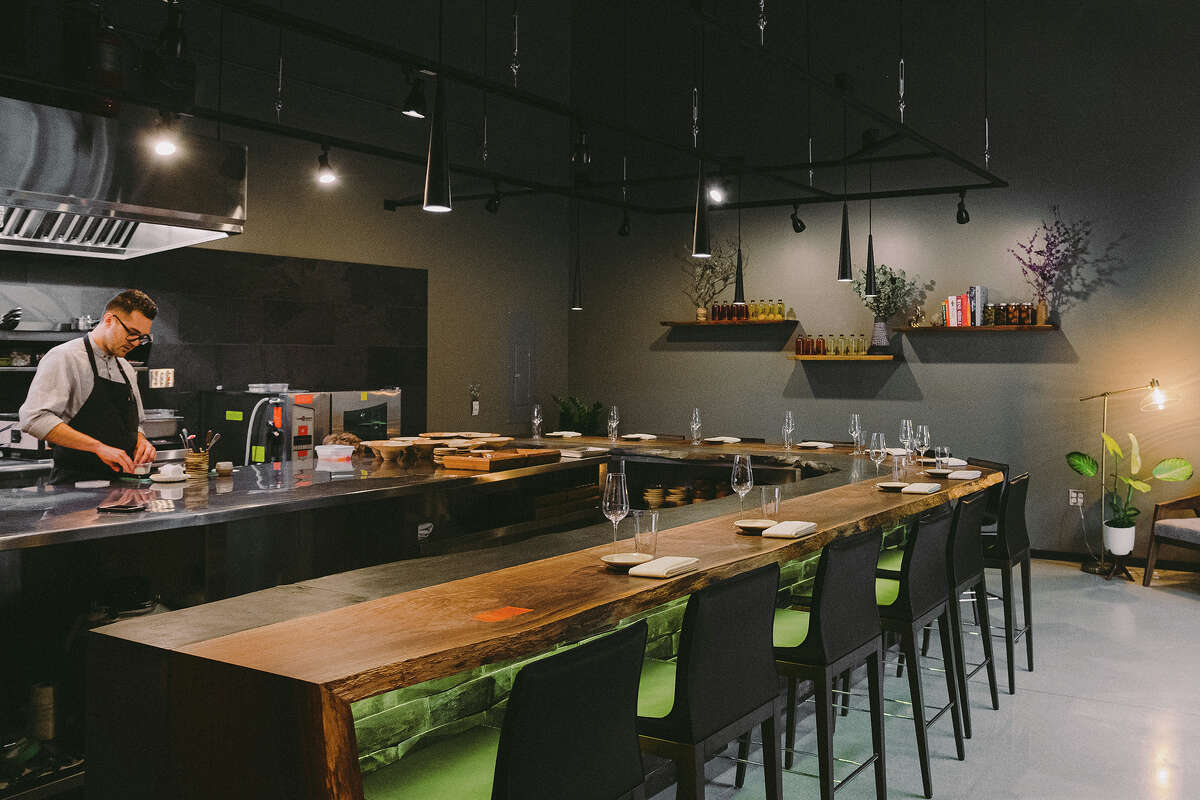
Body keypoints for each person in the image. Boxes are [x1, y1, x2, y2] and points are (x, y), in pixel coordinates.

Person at [19, 290, 158, 484]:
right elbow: (34, 419)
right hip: (75, 489)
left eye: (141, 337)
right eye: (132, 334)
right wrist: (98, 447)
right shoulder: (65, 357)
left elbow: (136, 424)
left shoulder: (125, 367)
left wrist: (141, 441)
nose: (135, 343)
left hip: (123, 487)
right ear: (110, 320)